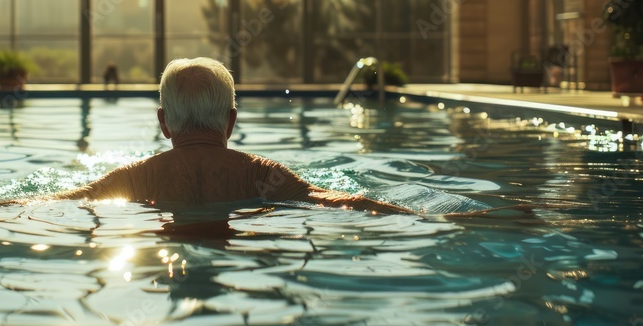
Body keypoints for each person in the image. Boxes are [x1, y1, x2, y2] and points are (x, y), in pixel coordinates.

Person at [56, 57, 414, 214]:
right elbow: (334, 200)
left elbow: (66, 200)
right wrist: (426, 217)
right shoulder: (262, 175)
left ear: (164, 123)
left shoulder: (137, 177)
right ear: (230, 122)